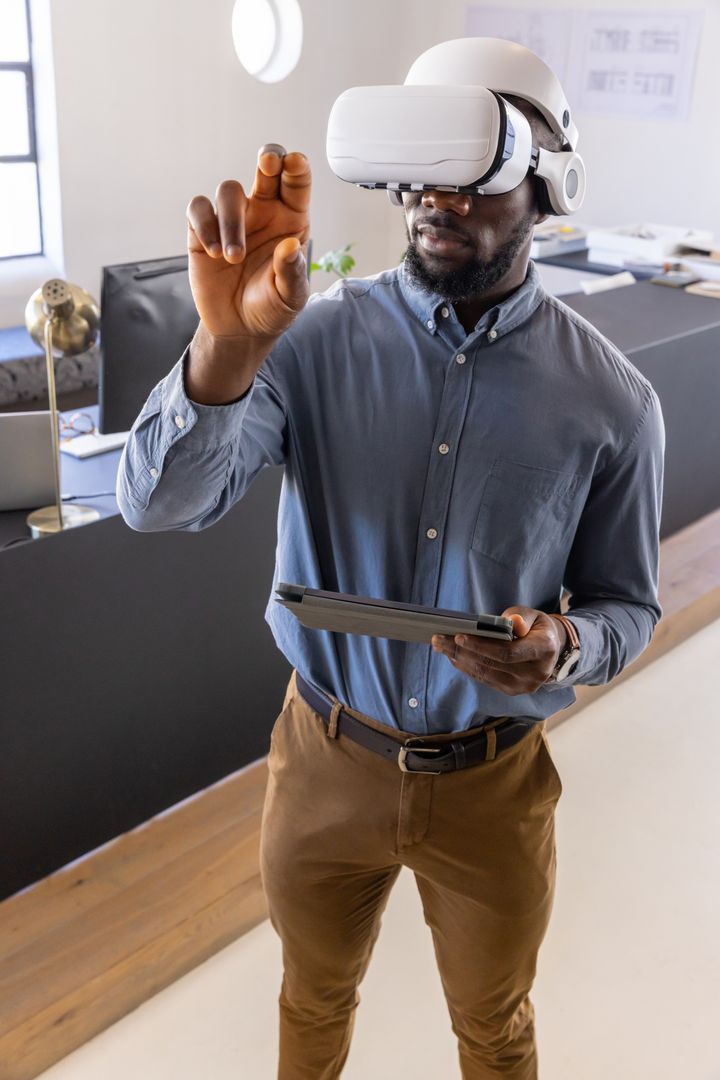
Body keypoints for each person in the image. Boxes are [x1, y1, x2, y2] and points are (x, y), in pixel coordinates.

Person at [117, 38, 664, 1080]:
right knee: (312, 1001)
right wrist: (227, 350)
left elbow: (629, 607)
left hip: (493, 785)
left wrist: (567, 645)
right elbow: (159, 504)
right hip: (324, 759)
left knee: (494, 1028)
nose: (434, 197)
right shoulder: (309, 343)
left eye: (471, 170)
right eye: (420, 169)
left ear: (546, 183)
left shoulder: (611, 403)